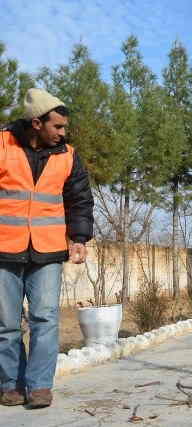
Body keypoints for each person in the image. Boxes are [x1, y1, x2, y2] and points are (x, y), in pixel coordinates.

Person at [0, 88, 94, 408]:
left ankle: (39, 385)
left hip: (48, 251)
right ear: (37, 123)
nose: (63, 133)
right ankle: (11, 384)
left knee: (45, 318)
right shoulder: (2, 144)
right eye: (58, 127)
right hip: (4, 250)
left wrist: (79, 238)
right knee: (6, 324)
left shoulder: (67, 155)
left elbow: (79, 199)